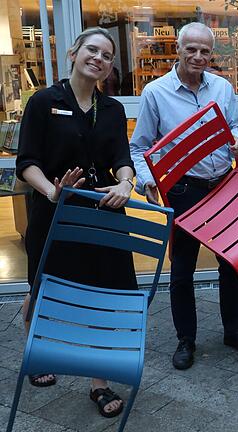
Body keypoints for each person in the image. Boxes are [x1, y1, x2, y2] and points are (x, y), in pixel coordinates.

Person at [16, 27, 136, 419]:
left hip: (103, 216)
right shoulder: (43, 102)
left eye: (106, 55)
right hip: (54, 212)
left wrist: (125, 182)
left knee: (103, 299)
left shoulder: (113, 109)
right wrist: (52, 191)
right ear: (73, 52)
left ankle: (98, 383)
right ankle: (39, 353)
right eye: (92, 50)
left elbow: (122, 157)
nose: (98, 58)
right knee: (44, 290)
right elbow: (27, 163)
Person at [130, 22, 238, 371]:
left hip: (222, 186)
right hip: (183, 190)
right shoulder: (156, 93)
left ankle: (233, 331)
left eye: (205, 51)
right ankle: (185, 339)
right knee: (182, 270)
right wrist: (148, 181)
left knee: (231, 263)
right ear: (179, 49)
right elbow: (140, 146)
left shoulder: (222, 87)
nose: (198, 56)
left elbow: (233, 125)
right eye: (192, 49)